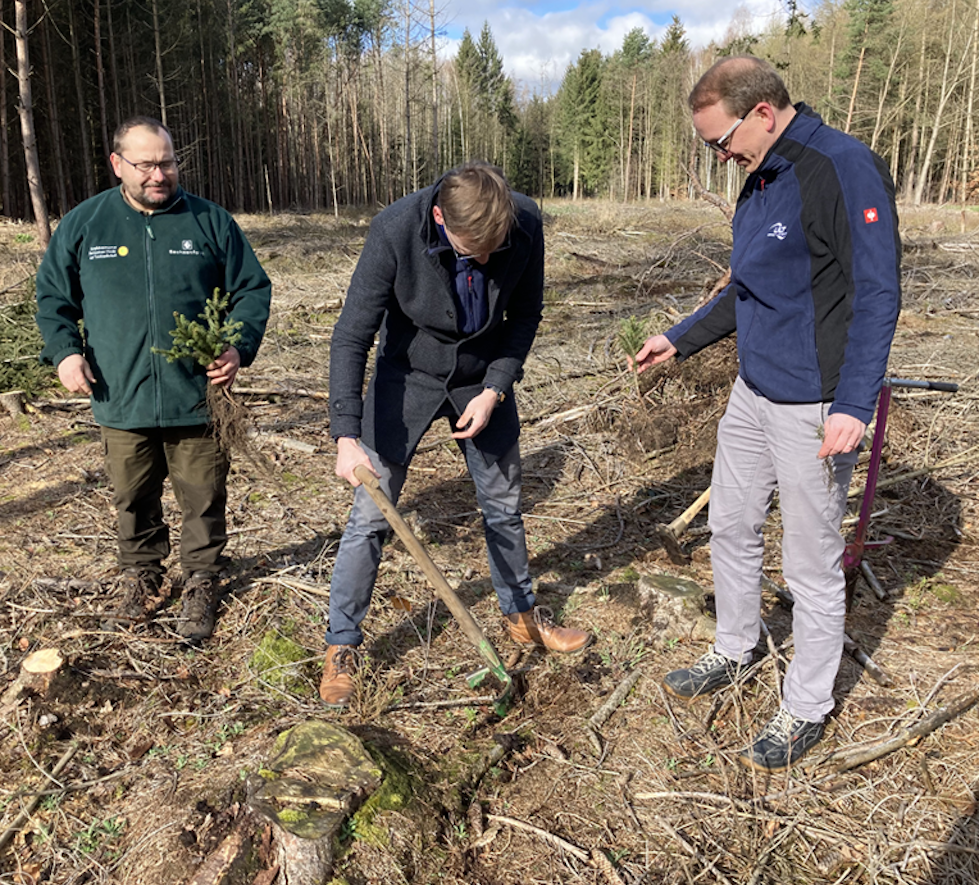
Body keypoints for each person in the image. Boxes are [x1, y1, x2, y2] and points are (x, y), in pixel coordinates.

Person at [633, 57, 901, 771]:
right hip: (751, 393)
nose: (717, 157)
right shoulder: (760, 177)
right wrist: (679, 338)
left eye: (719, 141)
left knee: (810, 563)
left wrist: (851, 404)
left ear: (760, 112)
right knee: (730, 523)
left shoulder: (840, 167)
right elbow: (744, 288)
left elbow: (877, 293)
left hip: (814, 404)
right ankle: (733, 644)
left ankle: (805, 704)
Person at [322, 161, 591, 708]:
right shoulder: (394, 229)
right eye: (475, 250)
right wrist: (346, 435)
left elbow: (526, 314)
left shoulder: (526, 222)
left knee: (503, 505)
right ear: (440, 217)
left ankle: (521, 615)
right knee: (370, 518)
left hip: (482, 378)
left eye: (496, 248)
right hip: (407, 378)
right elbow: (352, 335)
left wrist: (495, 387)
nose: (489, 260)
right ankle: (342, 645)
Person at [35, 116, 272, 645]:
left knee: (203, 495)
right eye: (146, 165)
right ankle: (142, 575)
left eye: (167, 162)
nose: (159, 174)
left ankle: (202, 581)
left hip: (198, 395)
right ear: (118, 164)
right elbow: (53, 297)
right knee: (132, 494)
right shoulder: (86, 224)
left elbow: (252, 289)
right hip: (119, 392)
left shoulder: (208, 221)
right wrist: (65, 354)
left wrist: (236, 346)